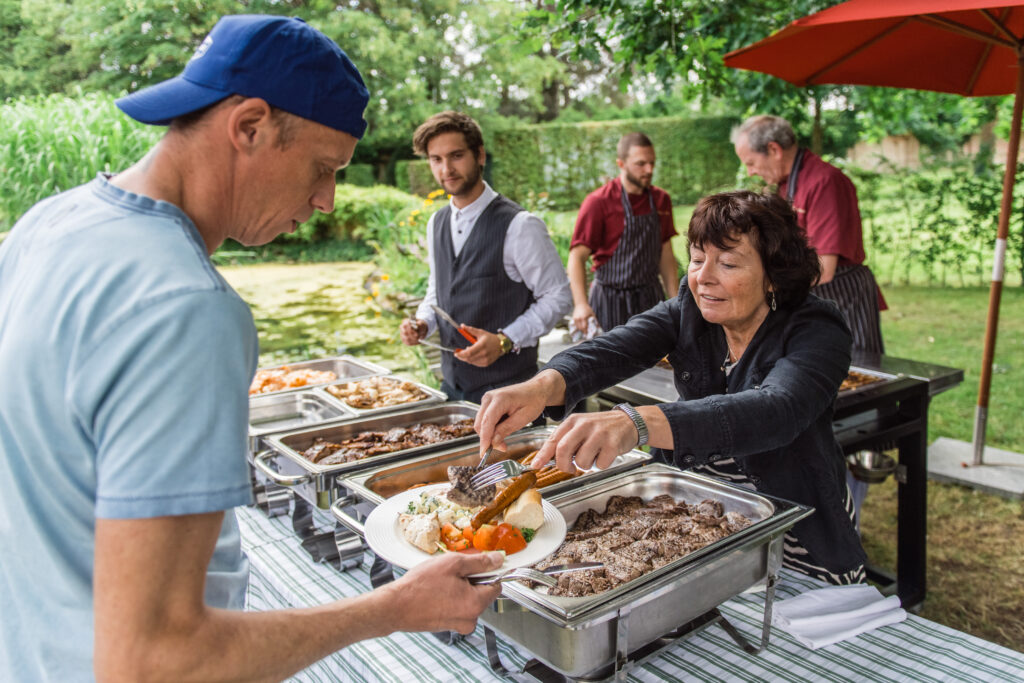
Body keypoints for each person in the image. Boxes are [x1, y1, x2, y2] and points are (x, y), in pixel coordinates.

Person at [0, 15, 502, 681]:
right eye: (324, 168)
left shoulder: (46, 224)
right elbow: (155, 662)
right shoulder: (186, 307)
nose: (327, 200)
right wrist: (392, 607)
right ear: (249, 125)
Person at [475, 190, 867, 584]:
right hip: (705, 526)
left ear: (774, 275)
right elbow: (613, 349)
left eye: (728, 263)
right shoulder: (691, 309)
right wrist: (541, 387)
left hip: (798, 536)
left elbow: (777, 411)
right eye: (697, 259)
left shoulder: (817, 329)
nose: (703, 277)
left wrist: (638, 423)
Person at [399, 111, 572, 404]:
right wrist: (423, 322)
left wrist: (506, 340)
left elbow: (558, 297)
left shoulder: (520, 225)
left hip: (513, 395)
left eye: (456, 156)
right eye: (436, 160)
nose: (446, 169)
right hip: (452, 391)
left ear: (479, 155)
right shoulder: (435, 223)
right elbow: (437, 288)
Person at [731, 115, 885, 355]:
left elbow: (824, 267)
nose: (751, 172)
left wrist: (764, 291)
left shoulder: (824, 182)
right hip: (810, 295)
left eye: (751, 163)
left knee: (857, 375)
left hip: (843, 296)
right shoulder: (786, 183)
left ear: (774, 150)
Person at [568, 132, 680, 334]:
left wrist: (675, 302)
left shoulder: (661, 200)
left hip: (650, 299)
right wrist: (581, 304)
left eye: (652, 163)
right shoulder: (599, 202)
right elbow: (577, 256)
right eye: (641, 164)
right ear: (621, 163)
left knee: (655, 360)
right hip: (610, 301)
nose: (649, 170)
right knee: (612, 362)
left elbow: (665, 253)